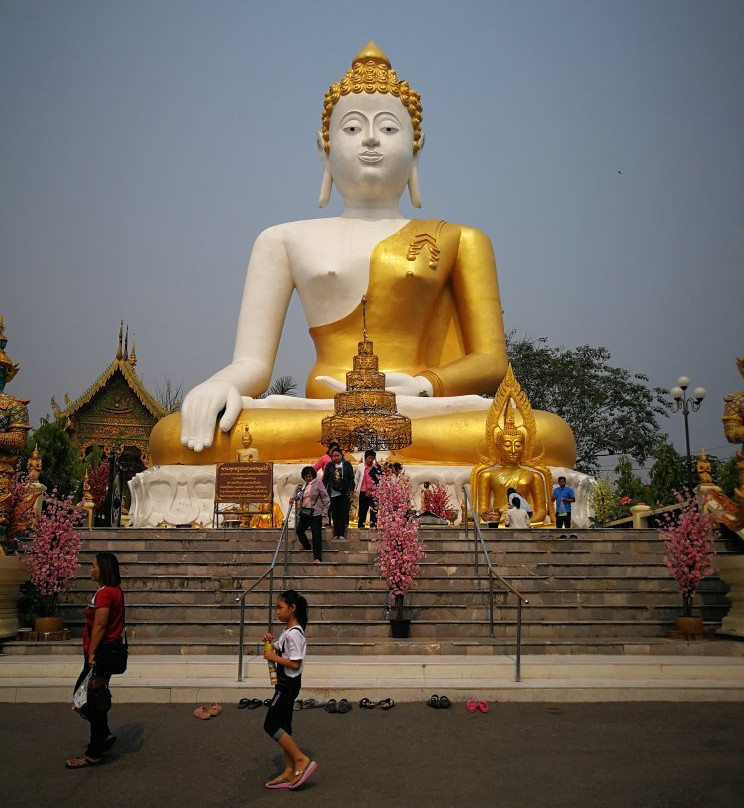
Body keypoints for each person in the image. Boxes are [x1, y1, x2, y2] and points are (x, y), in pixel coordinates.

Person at [149, 42, 575, 469]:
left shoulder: (461, 239)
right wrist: (220, 385)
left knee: (547, 435)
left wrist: (425, 387)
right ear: (324, 147)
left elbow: (491, 361)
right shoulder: (281, 239)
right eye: (352, 128)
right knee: (173, 437)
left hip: (418, 411)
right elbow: (252, 364)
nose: (371, 138)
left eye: (389, 128)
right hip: (322, 415)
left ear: (416, 147)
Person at [65, 552, 125, 769]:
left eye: (93, 566)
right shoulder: (112, 591)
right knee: (91, 695)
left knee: (85, 698)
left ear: (104, 569)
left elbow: (100, 625)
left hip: (100, 653)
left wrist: (92, 653)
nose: (90, 570)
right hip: (105, 652)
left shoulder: (105, 594)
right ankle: (104, 735)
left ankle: (94, 751)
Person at [262, 590, 317, 790]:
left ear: (292, 608)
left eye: (280, 608)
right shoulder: (288, 631)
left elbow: (294, 663)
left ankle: (300, 759)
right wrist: (270, 643)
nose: (277, 612)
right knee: (284, 726)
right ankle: (288, 769)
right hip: (285, 684)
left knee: (270, 725)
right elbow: (279, 647)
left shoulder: (295, 634)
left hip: (287, 686)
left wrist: (273, 658)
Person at [293, 466, 330, 562]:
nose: (308, 478)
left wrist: (325, 512)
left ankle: (317, 557)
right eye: (306, 477)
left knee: (316, 535)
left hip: (316, 514)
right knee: (299, 531)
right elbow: (299, 495)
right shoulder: (304, 485)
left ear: (313, 476)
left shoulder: (318, 483)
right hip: (305, 513)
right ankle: (307, 546)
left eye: (309, 476)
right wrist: (293, 498)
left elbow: (326, 498)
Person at [322, 447, 355, 540]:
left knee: (343, 513)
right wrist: (323, 491)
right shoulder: (329, 465)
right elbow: (325, 479)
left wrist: (351, 490)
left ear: (341, 455)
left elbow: (351, 478)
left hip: (344, 493)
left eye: (337, 455)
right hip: (333, 493)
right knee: (335, 513)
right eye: (333, 456)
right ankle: (336, 533)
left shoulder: (347, 465)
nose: (335, 458)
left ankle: (342, 533)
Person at [355, 449, 381, 529]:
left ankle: (373, 527)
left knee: (374, 511)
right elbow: (356, 478)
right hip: (363, 492)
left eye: (372, 458)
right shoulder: (360, 466)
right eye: (369, 458)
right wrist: (354, 490)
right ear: (365, 458)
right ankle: (361, 527)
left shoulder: (376, 468)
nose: (371, 460)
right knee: (362, 510)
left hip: (374, 493)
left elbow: (379, 479)